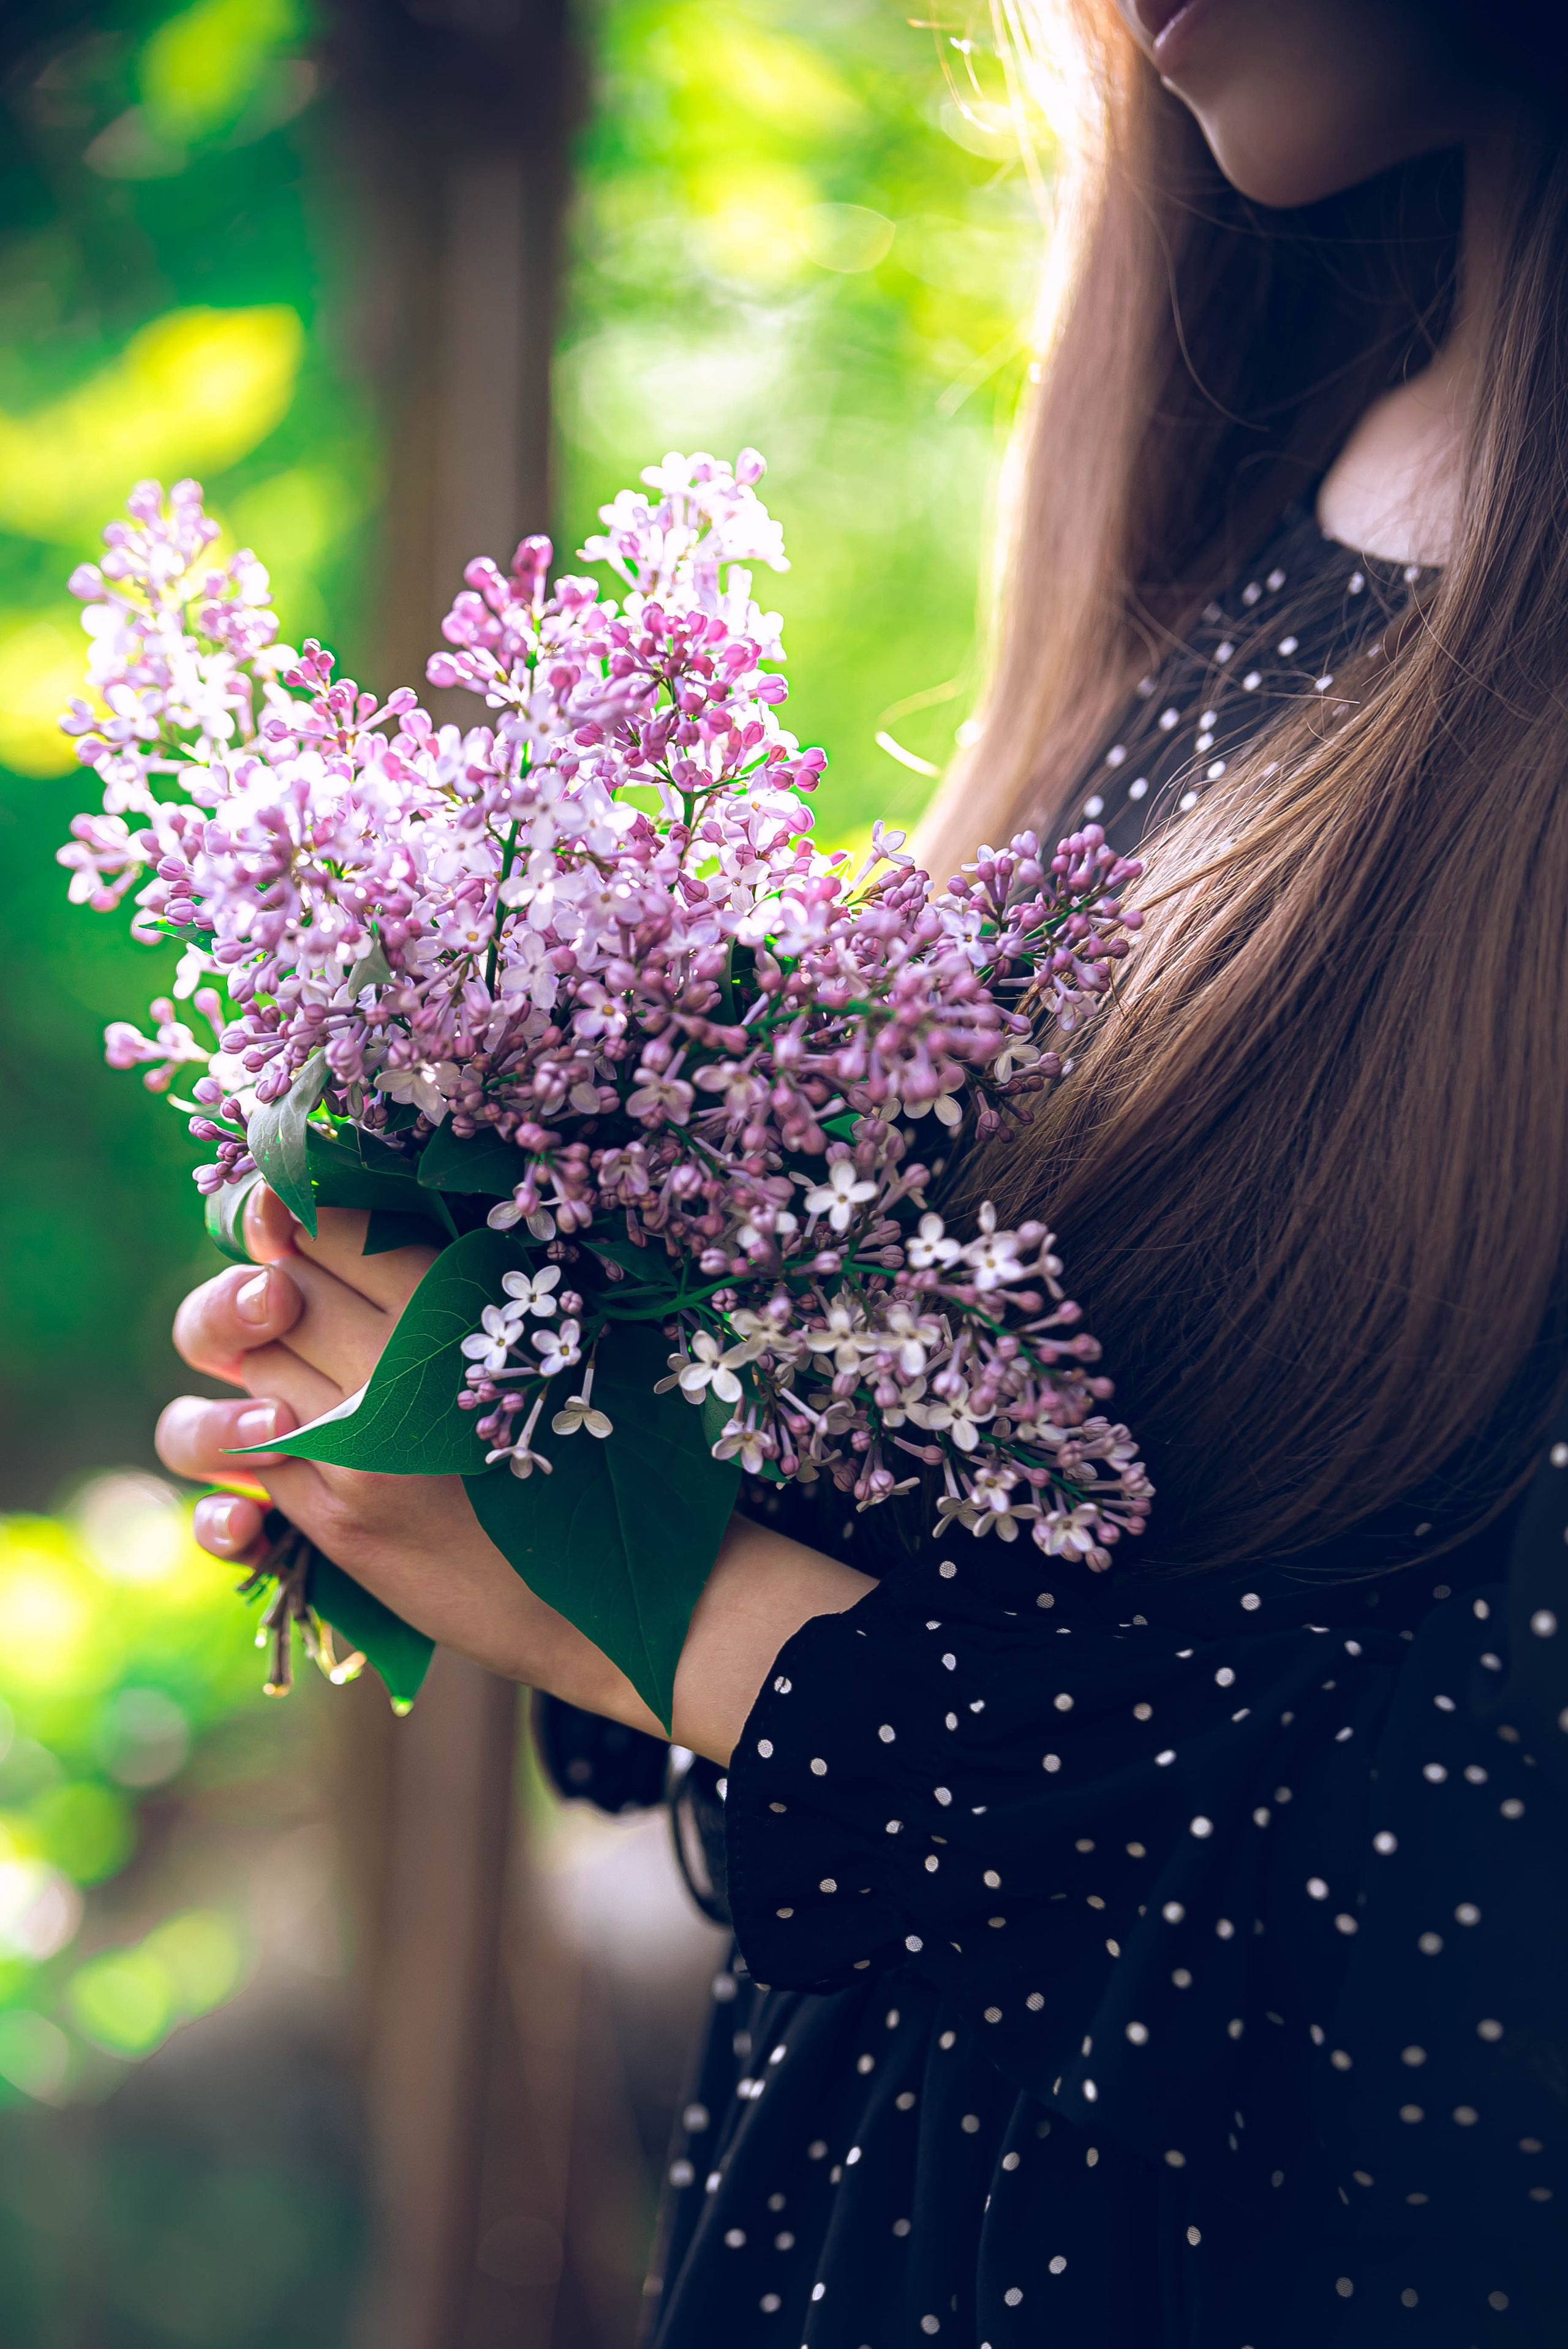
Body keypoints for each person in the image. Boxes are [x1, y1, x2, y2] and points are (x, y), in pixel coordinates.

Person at [154, 0, 1568, 2338]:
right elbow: (1044, 1616)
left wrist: (696, 1627)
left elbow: (1461, 1893)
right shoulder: (1283, 474)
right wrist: (525, 1417)